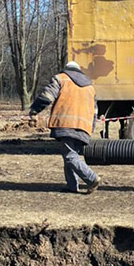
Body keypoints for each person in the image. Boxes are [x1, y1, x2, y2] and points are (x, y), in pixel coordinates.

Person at [29, 61, 100, 194]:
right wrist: (91, 128)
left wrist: (34, 110)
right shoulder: (90, 87)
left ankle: (91, 178)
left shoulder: (61, 78)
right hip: (84, 126)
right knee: (71, 155)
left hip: (65, 123)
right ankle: (72, 186)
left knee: (70, 157)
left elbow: (47, 96)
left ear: (66, 69)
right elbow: (95, 111)